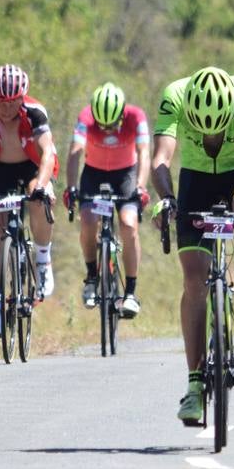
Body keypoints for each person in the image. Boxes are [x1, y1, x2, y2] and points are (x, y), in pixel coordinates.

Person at [148, 66, 234, 425]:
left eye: (220, 130)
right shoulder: (175, 96)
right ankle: (194, 386)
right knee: (194, 281)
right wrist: (166, 198)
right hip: (196, 178)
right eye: (204, 132)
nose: (213, 137)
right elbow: (161, 160)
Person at [0, 64, 58, 337]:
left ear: (22, 98)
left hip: (31, 167)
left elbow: (47, 152)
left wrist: (42, 186)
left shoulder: (35, 112)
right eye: (1, 101)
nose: (5, 108)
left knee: (39, 201)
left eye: (12, 102)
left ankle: (42, 258)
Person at [63, 82, 150, 317]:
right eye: (103, 125)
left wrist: (141, 186)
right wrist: (71, 186)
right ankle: (92, 277)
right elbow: (75, 152)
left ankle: (130, 292)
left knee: (129, 224)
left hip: (126, 174)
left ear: (122, 113)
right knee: (88, 221)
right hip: (94, 173)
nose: (108, 129)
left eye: (112, 125)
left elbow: (143, 152)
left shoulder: (136, 116)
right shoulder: (86, 116)